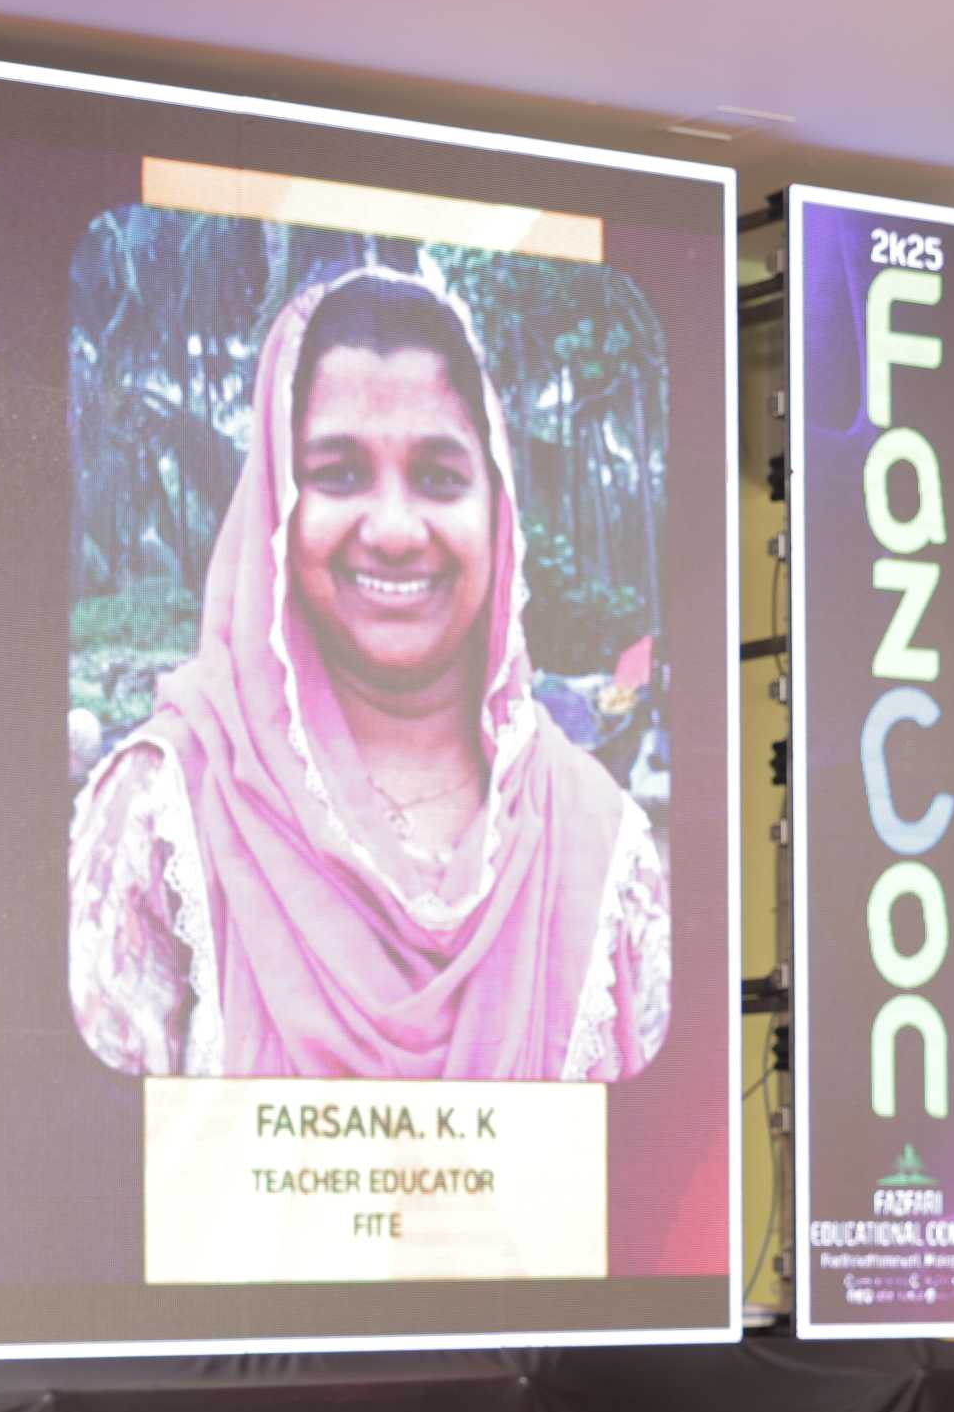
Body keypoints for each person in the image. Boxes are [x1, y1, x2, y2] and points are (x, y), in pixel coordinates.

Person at [68, 266, 670, 1082]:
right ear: (277, 506)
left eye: (439, 478)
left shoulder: (597, 839)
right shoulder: (165, 809)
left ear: (497, 513)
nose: (393, 530)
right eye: (340, 474)